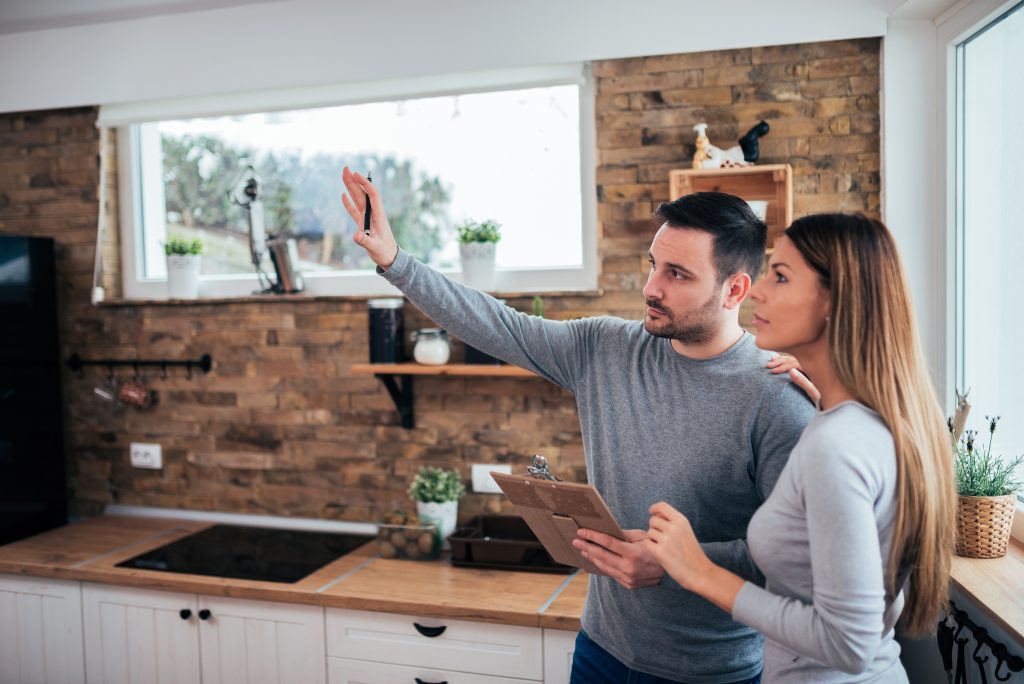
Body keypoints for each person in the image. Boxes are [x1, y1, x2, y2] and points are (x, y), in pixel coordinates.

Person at [341, 167, 815, 684]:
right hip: (600, 652)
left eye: (677, 274)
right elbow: (496, 324)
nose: (649, 287)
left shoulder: (777, 397)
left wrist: (679, 562)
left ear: (735, 289)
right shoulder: (604, 348)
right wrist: (394, 260)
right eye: (653, 265)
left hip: (710, 673)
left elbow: (797, 556)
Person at [645, 213, 956, 683]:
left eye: (782, 277)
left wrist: (698, 571)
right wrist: (826, 399)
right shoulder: (863, 422)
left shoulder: (838, 446)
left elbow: (848, 643)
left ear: (835, 301)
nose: (757, 291)